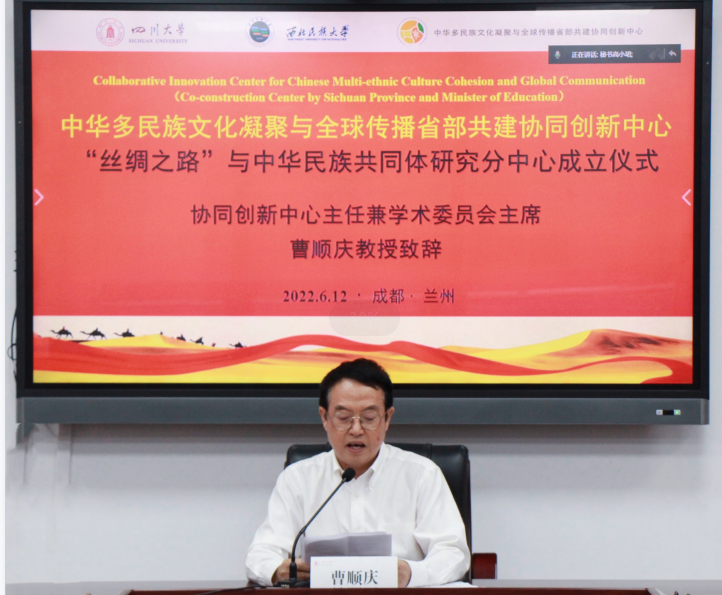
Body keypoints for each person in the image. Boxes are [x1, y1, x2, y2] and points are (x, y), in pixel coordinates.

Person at [244, 358, 471, 587]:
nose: (356, 429)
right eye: (343, 418)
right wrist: (277, 571)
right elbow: (260, 555)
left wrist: (411, 573)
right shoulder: (298, 478)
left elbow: (453, 554)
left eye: (369, 418)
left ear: (387, 418)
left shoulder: (422, 474)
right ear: (324, 417)